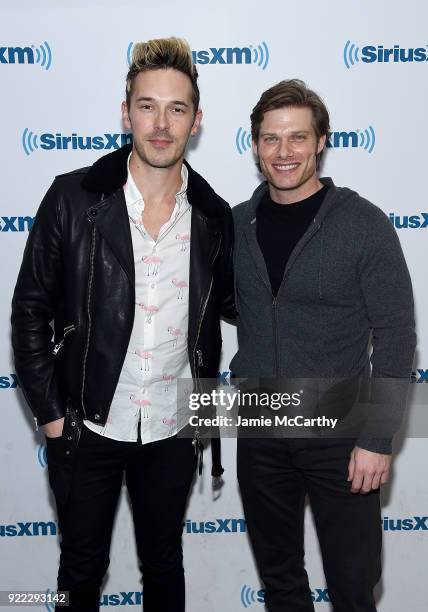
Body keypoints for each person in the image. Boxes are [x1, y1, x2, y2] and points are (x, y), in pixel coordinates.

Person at [11, 37, 233, 612]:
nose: (162, 124)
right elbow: (29, 309)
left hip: (173, 429)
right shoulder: (72, 197)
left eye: (178, 108)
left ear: (197, 120)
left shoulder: (213, 217)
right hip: (87, 427)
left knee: (164, 566)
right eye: (148, 105)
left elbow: (237, 308)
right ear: (125, 111)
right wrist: (54, 417)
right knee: (79, 575)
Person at [231, 79, 416, 611]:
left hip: (342, 431)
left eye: (297, 138)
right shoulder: (238, 224)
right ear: (255, 145)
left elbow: (398, 337)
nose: (283, 153)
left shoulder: (364, 224)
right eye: (270, 139)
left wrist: (379, 438)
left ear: (320, 142)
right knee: (281, 581)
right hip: (262, 422)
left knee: (352, 586)